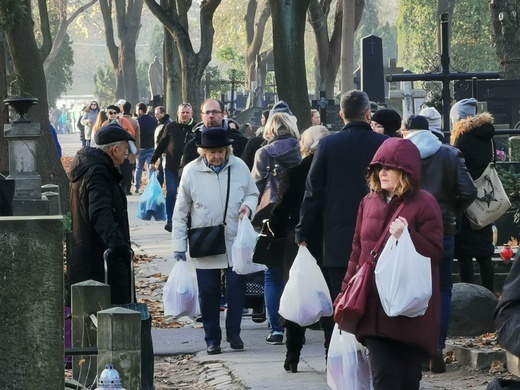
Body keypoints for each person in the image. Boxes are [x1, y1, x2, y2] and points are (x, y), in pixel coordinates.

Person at [335, 137, 444, 390]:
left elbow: (436, 252)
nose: (381, 172)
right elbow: (357, 253)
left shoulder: (425, 203)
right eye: (378, 167)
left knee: (407, 380)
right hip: (375, 309)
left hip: (410, 308)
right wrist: (343, 293)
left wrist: (409, 235)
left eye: (388, 168)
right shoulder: (368, 202)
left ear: (405, 172)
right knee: (384, 379)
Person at [296, 90, 388, 357]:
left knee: (340, 299)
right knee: (375, 300)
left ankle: (336, 354)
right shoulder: (383, 143)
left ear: (342, 115)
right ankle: (374, 355)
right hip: (378, 236)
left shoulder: (328, 145)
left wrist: (304, 229)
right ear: (369, 113)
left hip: (337, 239)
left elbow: (313, 192)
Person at [172, 128, 259, 355]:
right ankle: (212, 338)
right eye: (211, 152)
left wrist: (248, 207)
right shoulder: (191, 171)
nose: (217, 156)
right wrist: (179, 245)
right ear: (203, 152)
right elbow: (181, 210)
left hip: (234, 239)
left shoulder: (239, 166)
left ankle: (234, 332)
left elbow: (253, 193)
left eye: (220, 151)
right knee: (209, 292)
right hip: (206, 239)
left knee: (236, 288)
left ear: (227, 150)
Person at [401, 114, 477, 373]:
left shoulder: (402, 154)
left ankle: (416, 348)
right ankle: (436, 345)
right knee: (443, 288)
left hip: (408, 231)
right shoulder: (449, 154)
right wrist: (453, 210)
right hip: (444, 228)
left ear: (406, 131)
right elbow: (469, 191)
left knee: (413, 288)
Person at [268, 125, 329, 372]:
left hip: (298, 240)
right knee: (330, 294)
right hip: (329, 239)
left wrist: (278, 229)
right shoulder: (336, 173)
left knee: (297, 294)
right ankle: (329, 352)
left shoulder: (293, 173)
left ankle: (293, 353)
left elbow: (278, 212)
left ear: (304, 146)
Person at [67, 123, 138, 306]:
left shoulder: (89, 166)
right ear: (115, 149)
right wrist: (117, 245)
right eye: (125, 150)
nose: (126, 154)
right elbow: (100, 211)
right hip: (99, 259)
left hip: (88, 256)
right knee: (108, 319)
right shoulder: (99, 171)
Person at [251, 103, 302, 345]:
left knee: (272, 274)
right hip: (300, 218)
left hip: (273, 218)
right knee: (296, 273)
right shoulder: (305, 151)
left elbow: (255, 186)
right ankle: (297, 323)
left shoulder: (264, 153)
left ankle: (276, 328)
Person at [450, 98, 496, 293]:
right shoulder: (487, 137)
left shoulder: (463, 138)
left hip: (467, 198)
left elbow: (457, 168)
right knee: (485, 252)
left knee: (465, 253)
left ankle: (468, 295)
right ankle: (490, 294)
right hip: (485, 199)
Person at [150, 103, 195, 232]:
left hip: (188, 168)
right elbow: (162, 144)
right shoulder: (170, 127)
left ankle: (186, 219)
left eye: (187, 112)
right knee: (171, 194)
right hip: (171, 166)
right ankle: (170, 220)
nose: (185, 115)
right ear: (178, 113)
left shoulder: (196, 128)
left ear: (191, 114)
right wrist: (153, 160)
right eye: (183, 112)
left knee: (186, 195)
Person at [180, 99, 246, 169]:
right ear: (202, 116)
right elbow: (183, 173)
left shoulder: (240, 143)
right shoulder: (192, 145)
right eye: (207, 112)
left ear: (223, 114)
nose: (211, 115)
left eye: (215, 112)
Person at [102, 104, 136, 195]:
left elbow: (132, 132)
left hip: (123, 150)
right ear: (107, 114)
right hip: (110, 152)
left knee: (126, 170)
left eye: (115, 113)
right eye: (110, 113)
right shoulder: (105, 124)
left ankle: (126, 188)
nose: (113, 114)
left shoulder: (123, 121)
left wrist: (121, 133)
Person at [135, 103, 158, 194]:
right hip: (151, 146)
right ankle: (151, 186)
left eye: (137, 110)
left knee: (139, 168)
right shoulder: (153, 120)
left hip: (140, 147)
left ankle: (137, 186)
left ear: (140, 110)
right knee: (150, 167)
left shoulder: (137, 121)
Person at [121, 101, 141, 194]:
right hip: (131, 147)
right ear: (131, 109)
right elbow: (137, 137)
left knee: (121, 167)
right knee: (129, 168)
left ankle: (121, 187)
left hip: (120, 148)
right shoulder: (135, 121)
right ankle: (128, 188)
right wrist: (137, 150)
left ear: (122, 109)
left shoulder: (119, 120)